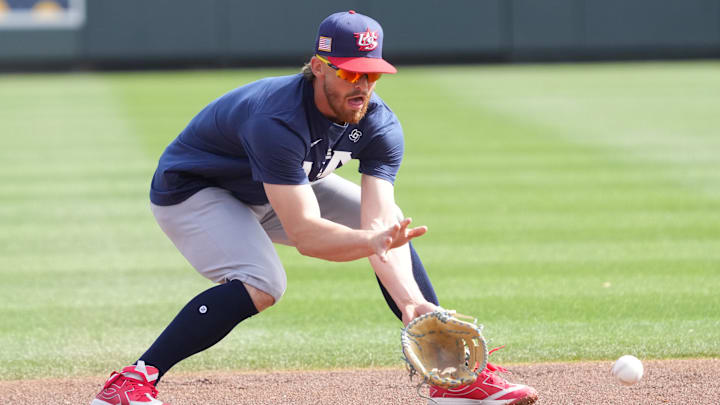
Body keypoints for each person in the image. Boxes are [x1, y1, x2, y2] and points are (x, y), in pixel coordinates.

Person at [90, 10, 537, 405]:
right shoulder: (277, 119)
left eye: (372, 75)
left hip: (281, 186)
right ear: (319, 67)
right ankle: (131, 382)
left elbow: (379, 219)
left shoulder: (379, 124)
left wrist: (410, 300)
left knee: (391, 231)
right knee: (264, 283)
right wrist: (371, 240)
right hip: (196, 190)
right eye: (349, 74)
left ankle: (451, 378)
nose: (362, 86)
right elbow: (305, 234)